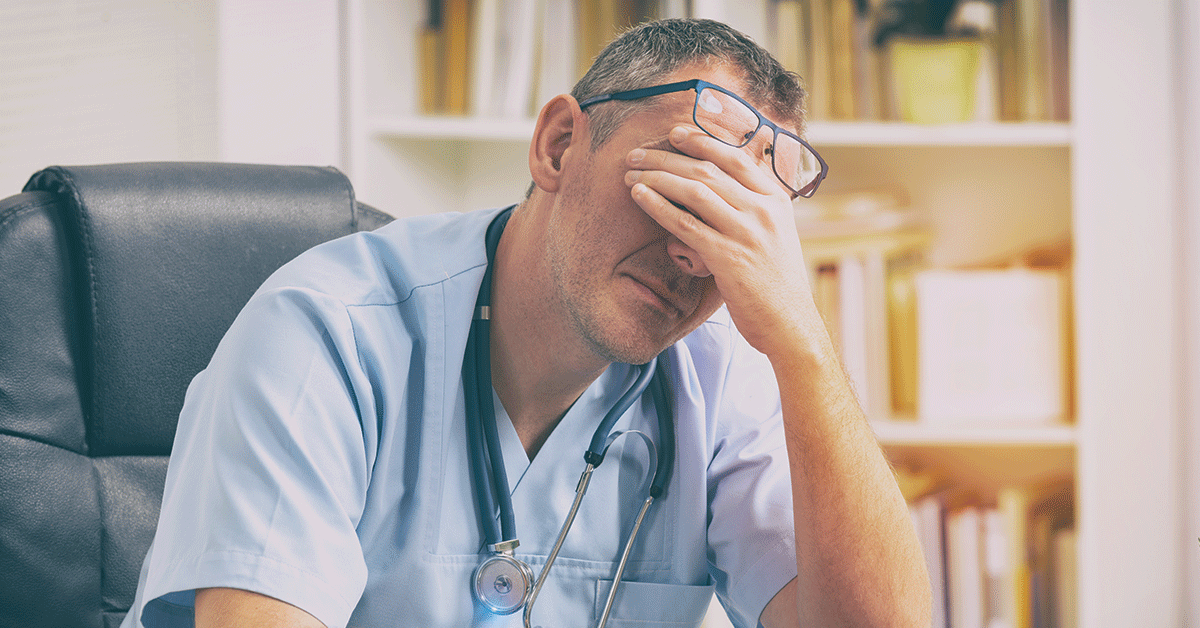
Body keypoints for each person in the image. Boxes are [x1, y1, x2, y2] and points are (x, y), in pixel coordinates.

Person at [121, 17, 930, 628]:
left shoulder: (725, 378)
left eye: (738, 229)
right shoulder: (324, 335)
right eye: (683, 191)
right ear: (558, 144)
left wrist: (804, 344)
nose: (695, 257)